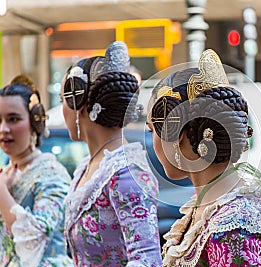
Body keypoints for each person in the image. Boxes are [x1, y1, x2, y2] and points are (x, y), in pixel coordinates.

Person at [147, 49, 261, 266]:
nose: (152, 141)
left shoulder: (234, 224)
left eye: (152, 129)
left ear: (177, 134)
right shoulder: (205, 208)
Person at [61, 41, 162, 266]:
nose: (62, 110)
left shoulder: (126, 172)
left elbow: (147, 260)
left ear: (79, 103)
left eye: (62, 100)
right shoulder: (90, 167)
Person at [0, 76, 73, 267]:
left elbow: (34, 239)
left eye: (13, 119)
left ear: (34, 122)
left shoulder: (51, 173)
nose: (3, 129)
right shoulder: (6, 173)